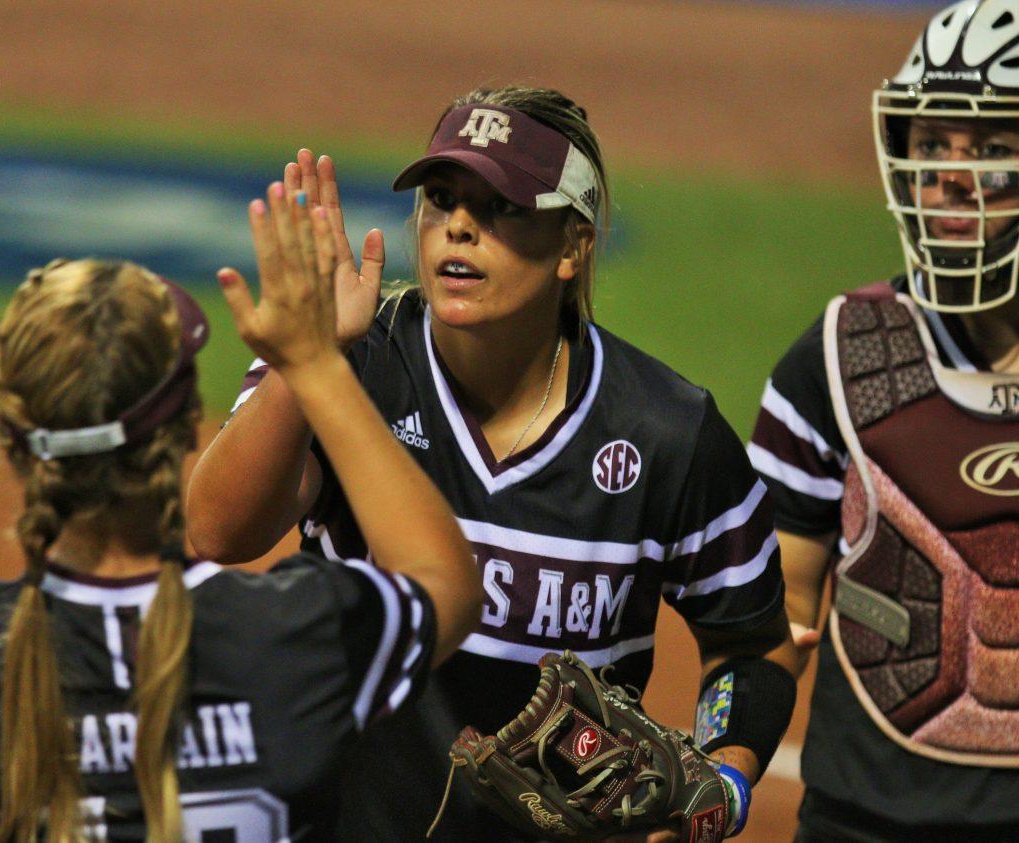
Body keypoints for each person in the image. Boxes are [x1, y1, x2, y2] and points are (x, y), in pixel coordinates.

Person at [186, 85, 801, 841]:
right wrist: (305, 361)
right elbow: (218, 530)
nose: (461, 228)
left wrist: (723, 791)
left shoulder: (666, 431)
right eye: (442, 199)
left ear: (574, 246)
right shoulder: (352, 359)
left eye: (502, 207)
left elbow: (749, 643)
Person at [0, 215, 482, 840]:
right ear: (185, 420)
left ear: (11, 440)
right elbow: (447, 580)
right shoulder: (299, 629)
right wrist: (316, 367)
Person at [748, 2, 1019, 839]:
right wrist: (717, 760)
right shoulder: (839, 356)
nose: (949, 174)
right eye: (932, 144)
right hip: (861, 820)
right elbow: (773, 609)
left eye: (989, 145)